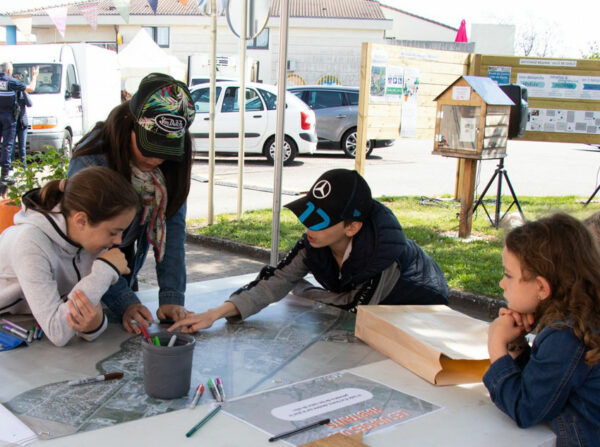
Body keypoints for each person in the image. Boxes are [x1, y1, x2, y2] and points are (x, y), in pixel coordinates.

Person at [169, 168, 449, 333]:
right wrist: (215, 314)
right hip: (373, 313)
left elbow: (351, 309)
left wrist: (302, 289)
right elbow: (276, 281)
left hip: (422, 314)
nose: (308, 228)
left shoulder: (383, 257)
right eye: (307, 216)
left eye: (319, 221)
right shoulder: (315, 241)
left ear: (352, 227)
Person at [68, 72, 196, 334]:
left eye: (165, 151)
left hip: (124, 262)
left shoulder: (175, 164)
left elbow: (172, 230)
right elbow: (87, 247)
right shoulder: (93, 160)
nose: (156, 159)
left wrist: (171, 297)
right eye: (150, 147)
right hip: (86, 266)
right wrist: (124, 301)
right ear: (130, 123)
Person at [484, 213, 600, 445]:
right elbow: (543, 383)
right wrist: (516, 345)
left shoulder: (565, 335)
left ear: (542, 287)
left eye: (509, 275)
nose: (502, 283)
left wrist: (496, 345)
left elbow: (526, 408)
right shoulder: (577, 317)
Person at [0, 166, 140, 347]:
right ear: (81, 220)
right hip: (10, 330)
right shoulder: (29, 242)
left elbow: (81, 311)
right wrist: (105, 270)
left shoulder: (86, 238)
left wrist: (94, 326)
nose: (118, 241)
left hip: (29, 324)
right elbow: (57, 331)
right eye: (113, 232)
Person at [0, 62, 38, 183]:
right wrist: (34, 76)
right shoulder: (11, 81)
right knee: (7, 145)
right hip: (8, 117)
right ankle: (5, 175)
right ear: (9, 71)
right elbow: (31, 88)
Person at [12, 73, 32, 166]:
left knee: (22, 147)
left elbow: (30, 104)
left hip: (22, 123)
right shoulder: (11, 93)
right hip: (13, 122)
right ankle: (10, 166)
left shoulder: (23, 93)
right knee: (11, 146)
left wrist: (24, 91)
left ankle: (23, 166)